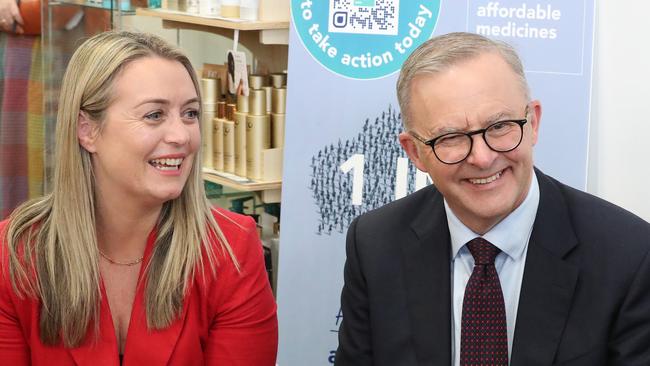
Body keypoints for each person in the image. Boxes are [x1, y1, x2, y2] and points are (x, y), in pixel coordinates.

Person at [335, 32, 650, 366]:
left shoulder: (629, 256)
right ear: (415, 152)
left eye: (499, 126)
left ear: (533, 123)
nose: (483, 158)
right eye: (451, 137)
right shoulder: (374, 244)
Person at [0, 30, 278, 365]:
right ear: (87, 130)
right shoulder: (15, 254)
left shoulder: (231, 251)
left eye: (190, 114)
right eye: (154, 115)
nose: (181, 136)